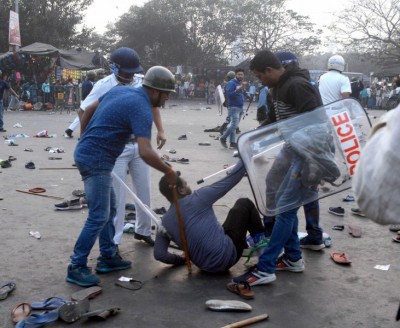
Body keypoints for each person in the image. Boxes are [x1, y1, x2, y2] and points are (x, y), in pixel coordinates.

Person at [67, 65, 178, 287]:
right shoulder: (142, 108)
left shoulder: (120, 90)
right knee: (99, 215)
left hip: (93, 155)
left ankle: (107, 257)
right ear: (155, 91)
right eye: (166, 95)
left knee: (110, 208)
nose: (166, 100)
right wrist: (168, 171)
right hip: (96, 160)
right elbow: (145, 151)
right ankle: (76, 266)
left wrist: (85, 137)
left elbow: (88, 109)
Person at [232, 49, 322, 286]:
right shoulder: (278, 88)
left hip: (307, 152)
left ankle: (266, 267)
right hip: (291, 148)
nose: (259, 82)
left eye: (260, 77)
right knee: (273, 187)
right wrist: (252, 140)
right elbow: (274, 122)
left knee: (285, 208)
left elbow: (318, 121)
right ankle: (293, 258)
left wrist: (313, 164)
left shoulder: (297, 85)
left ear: (270, 71)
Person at [79, 50, 167, 248]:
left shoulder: (140, 82)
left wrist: (161, 130)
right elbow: (84, 109)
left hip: (138, 143)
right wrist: (85, 138)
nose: (129, 76)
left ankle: (143, 230)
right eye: (126, 72)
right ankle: (114, 241)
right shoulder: (104, 86)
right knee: (117, 198)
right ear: (115, 67)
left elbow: (154, 105)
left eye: (132, 72)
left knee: (144, 189)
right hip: (115, 148)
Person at [154, 160, 265, 273]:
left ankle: (249, 244)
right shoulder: (198, 198)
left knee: (228, 219)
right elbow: (231, 179)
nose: (188, 185)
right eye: (186, 183)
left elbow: (159, 254)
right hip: (228, 258)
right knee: (244, 203)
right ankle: (264, 256)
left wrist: (182, 259)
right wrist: (244, 155)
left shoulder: (164, 223)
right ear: (181, 190)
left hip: (204, 267)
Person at [65, 71, 96, 138]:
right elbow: (86, 94)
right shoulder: (88, 84)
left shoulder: (88, 83)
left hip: (86, 101)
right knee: (84, 117)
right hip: (87, 102)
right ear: (92, 77)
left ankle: (70, 129)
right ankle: (82, 132)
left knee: (81, 116)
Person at [220, 68, 245, 149]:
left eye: (242, 74)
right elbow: (229, 95)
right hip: (233, 107)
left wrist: (245, 94)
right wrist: (237, 90)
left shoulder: (239, 83)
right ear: (235, 75)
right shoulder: (231, 83)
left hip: (240, 107)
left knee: (235, 125)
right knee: (234, 125)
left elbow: (239, 94)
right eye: (239, 74)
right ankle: (223, 138)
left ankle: (232, 143)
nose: (240, 76)